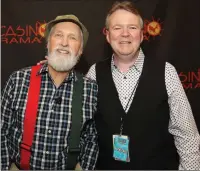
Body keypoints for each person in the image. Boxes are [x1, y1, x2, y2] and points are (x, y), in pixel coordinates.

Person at [86, 1, 200, 170]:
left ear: (141, 35)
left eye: (132, 27)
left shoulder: (166, 72)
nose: (125, 33)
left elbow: (187, 136)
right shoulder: (94, 73)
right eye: (117, 28)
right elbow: (82, 128)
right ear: (108, 36)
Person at [1, 14, 98, 170]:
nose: (64, 43)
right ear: (48, 43)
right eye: (58, 35)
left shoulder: (91, 89)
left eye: (72, 38)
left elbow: (93, 139)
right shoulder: (18, 80)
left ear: (80, 50)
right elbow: (1, 131)